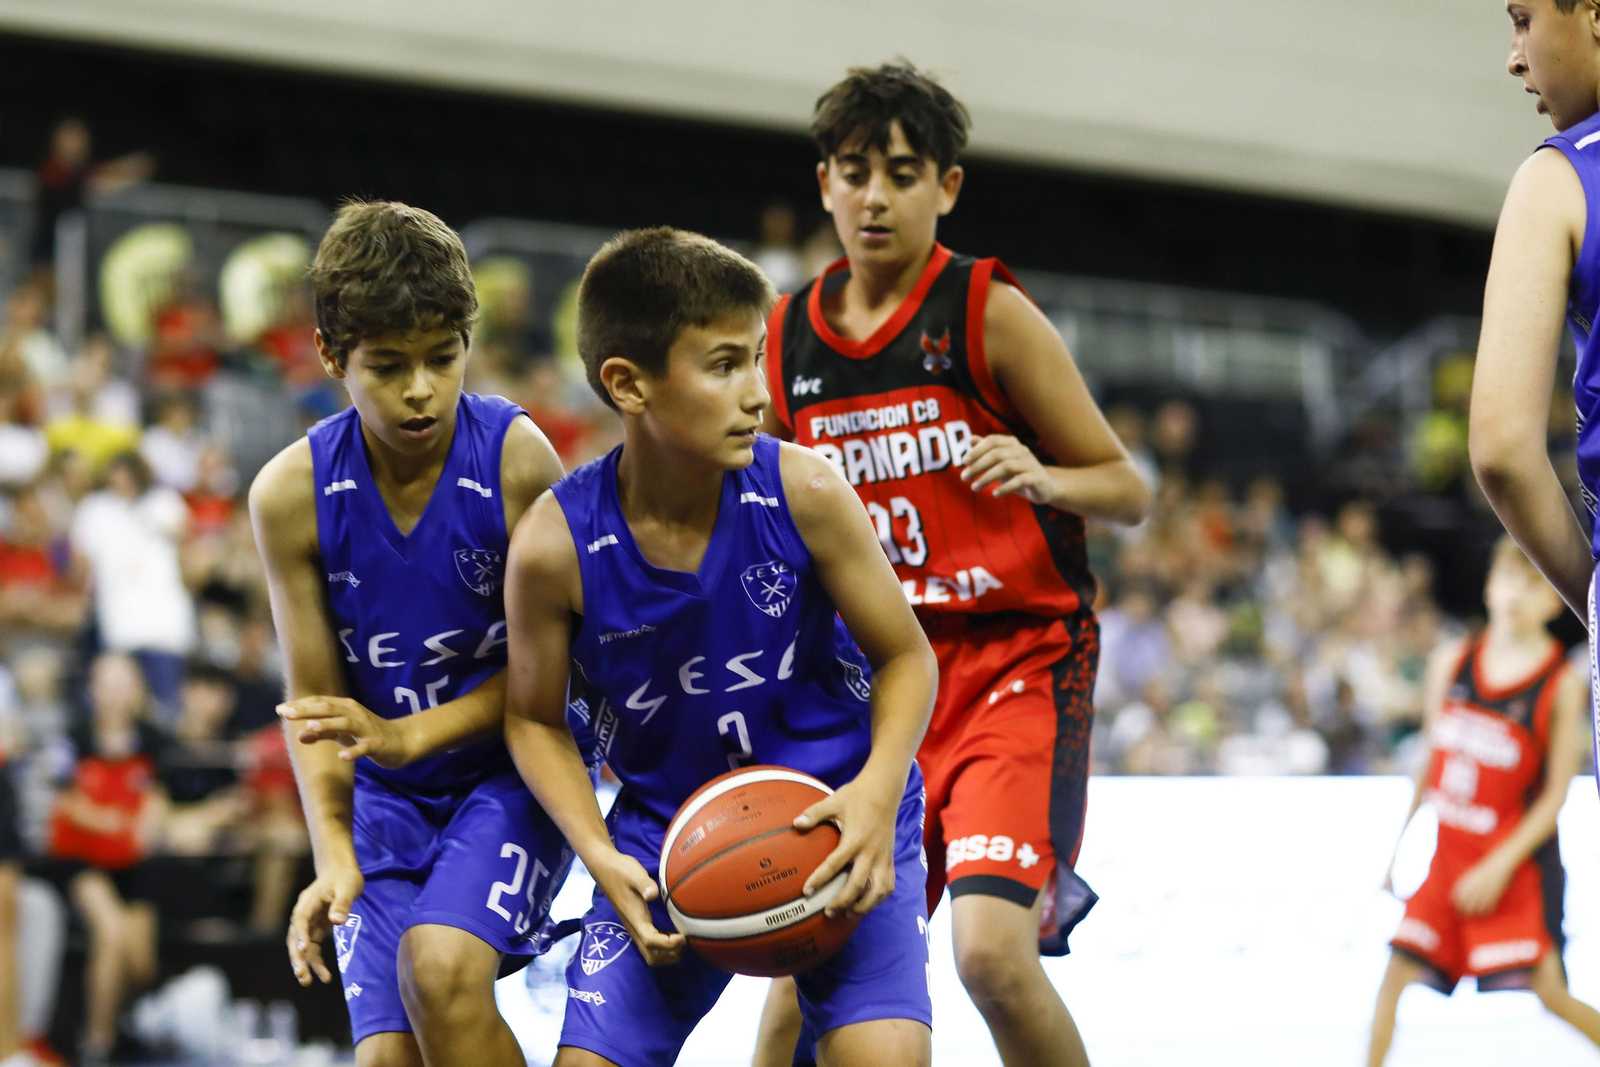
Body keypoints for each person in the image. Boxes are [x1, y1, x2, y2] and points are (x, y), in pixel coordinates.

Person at [755, 62, 1150, 1067]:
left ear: (947, 187)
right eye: (855, 173)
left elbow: (1128, 486)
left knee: (990, 956)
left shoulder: (984, 310)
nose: (875, 197)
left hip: (1015, 662)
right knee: (800, 969)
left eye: (901, 174)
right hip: (880, 679)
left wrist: (1046, 476)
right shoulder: (783, 336)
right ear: (824, 184)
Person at [502, 226, 938, 1067]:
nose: (758, 394)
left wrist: (878, 794)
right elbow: (533, 719)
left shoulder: (806, 490)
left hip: (838, 809)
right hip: (668, 840)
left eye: (759, 358)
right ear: (627, 384)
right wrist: (599, 853)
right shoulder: (554, 546)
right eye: (725, 364)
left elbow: (907, 657)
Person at [248, 201, 578, 1067]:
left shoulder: (518, 459)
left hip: (509, 771)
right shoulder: (289, 495)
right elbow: (317, 708)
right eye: (389, 366)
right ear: (331, 356)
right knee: (386, 1057)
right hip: (385, 800)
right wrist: (333, 855)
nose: (422, 388)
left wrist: (407, 734)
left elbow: (559, 677)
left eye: (443, 356)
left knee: (440, 968)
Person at [1366, 538, 1600, 1065]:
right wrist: (1396, 851)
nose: (1516, 592)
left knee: (1551, 993)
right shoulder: (1451, 661)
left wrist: (1498, 866)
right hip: (1449, 860)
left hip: (1513, 865)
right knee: (1394, 974)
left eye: (1532, 582)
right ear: (1489, 586)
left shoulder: (1560, 683)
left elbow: (1557, 795)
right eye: (1507, 578)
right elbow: (1430, 763)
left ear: (1553, 599)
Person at [1470, 6, 1600, 715]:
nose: (1515, 57)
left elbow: (1502, 451)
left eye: (1523, 19)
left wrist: (1594, 599)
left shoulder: (1559, 180)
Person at [41, 653, 167, 1066]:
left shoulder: (153, 738)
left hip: (133, 863)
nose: (114, 694)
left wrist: (150, 822)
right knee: (111, 934)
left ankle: (120, 1020)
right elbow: (64, 801)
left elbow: (158, 798)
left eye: (123, 684)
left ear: (137, 691)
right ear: (93, 691)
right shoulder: (71, 737)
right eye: (106, 684)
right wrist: (112, 821)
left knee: (141, 961)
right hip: (82, 860)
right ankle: (97, 1044)